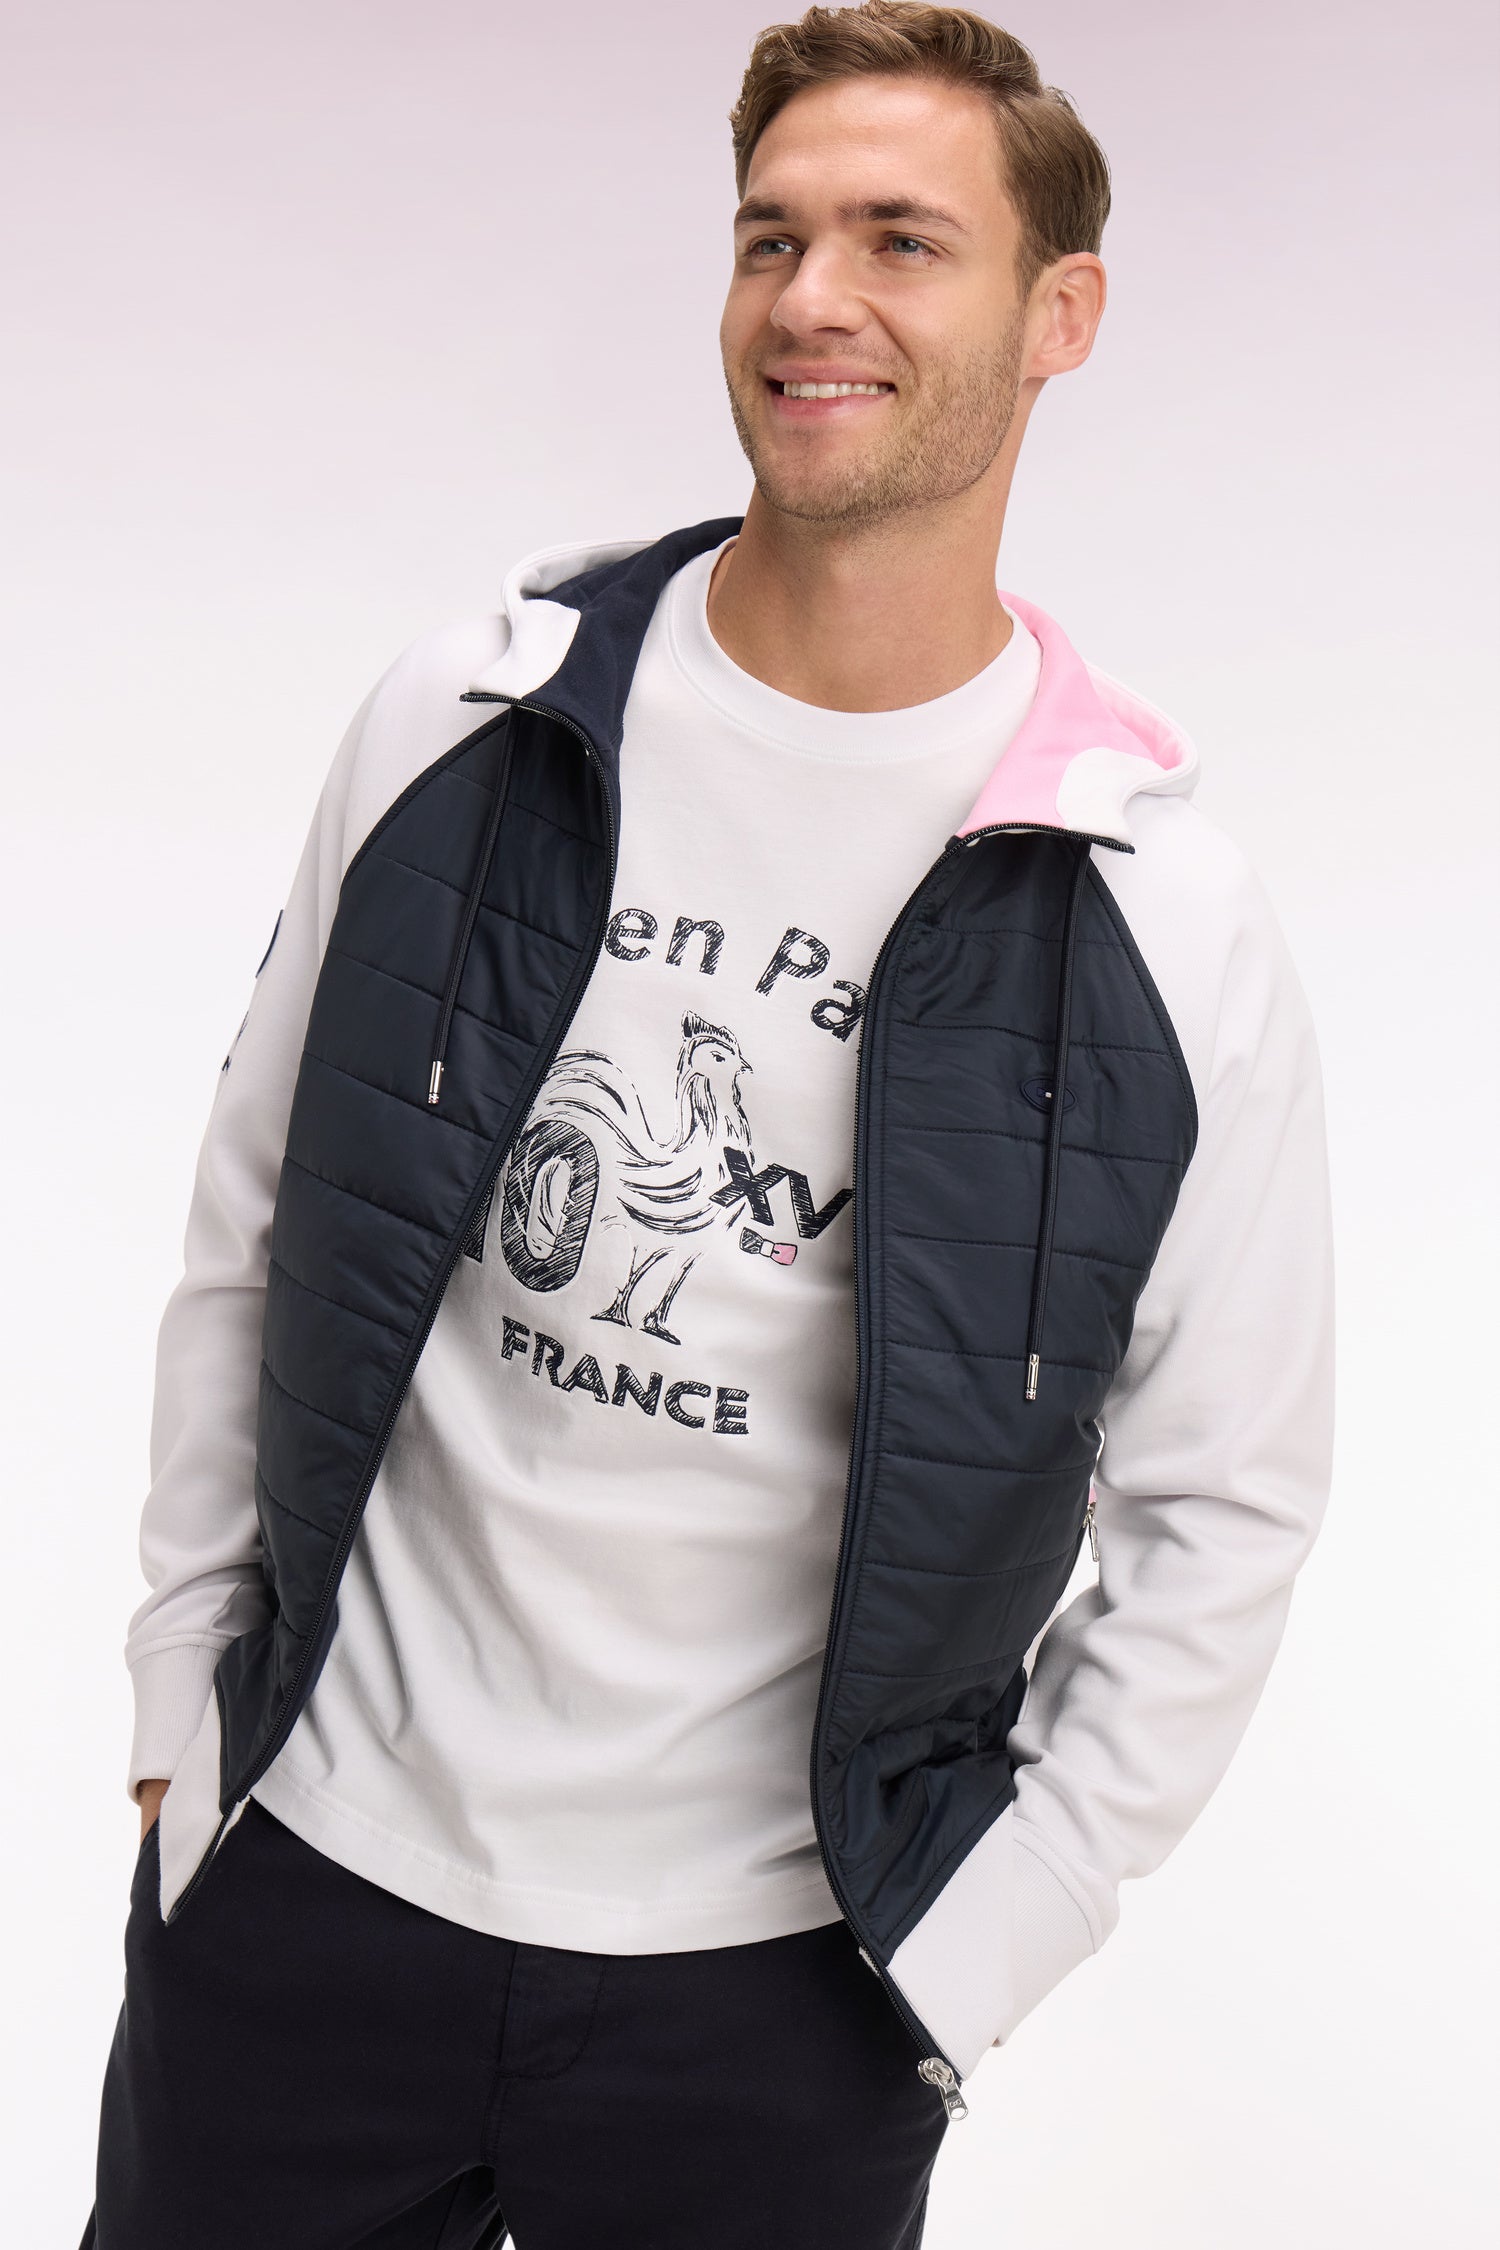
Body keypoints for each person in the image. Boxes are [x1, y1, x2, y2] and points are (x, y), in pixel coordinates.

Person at [80, 5, 1335, 2245]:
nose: (813, 298)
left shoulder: (1159, 920)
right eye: (773, 236)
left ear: (1061, 315)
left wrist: (989, 1939)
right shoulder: (467, 720)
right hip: (308, 1891)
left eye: (901, 241)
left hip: (779, 1993)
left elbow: (1224, 1501)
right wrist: (188, 1696)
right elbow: (256, 1213)